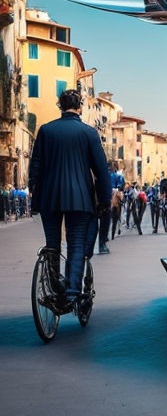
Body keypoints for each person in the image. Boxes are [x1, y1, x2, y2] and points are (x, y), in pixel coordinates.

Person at [28, 89, 111, 311]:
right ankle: (73, 293)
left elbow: (35, 166)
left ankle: (55, 288)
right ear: (80, 106)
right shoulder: (89, 133)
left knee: (52, 244)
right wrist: (104, 200)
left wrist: (33, 194)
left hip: (49, 197)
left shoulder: (45, 130)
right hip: (80, 198)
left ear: (60, 106)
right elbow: (102, 171)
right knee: (76, 245)